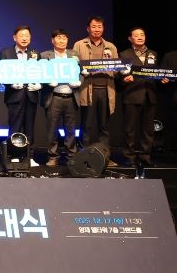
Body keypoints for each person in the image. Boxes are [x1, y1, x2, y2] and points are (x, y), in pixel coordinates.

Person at [72, 16, 119, 167]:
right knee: (86, 126)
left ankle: (105, 158)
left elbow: (116, 68)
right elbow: (73, 65)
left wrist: (122, 70)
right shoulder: (79, 44)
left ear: (103, 29)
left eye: (99, 26)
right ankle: (84, 158)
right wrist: (80, 70)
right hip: (87, 90)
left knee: (104, 126)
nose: (97, 29)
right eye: (94, 26)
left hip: (106, 90)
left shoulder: (110, 46)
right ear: (88, 29)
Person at [40, 29, 82, 167]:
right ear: (52, 40)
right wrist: (47, 80)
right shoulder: (45, 55)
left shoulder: (74, 55)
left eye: (64, 38)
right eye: (58, 37)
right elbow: (40, 72)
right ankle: (53, 156)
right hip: (54, 97)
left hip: (71, 96)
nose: (62, 40)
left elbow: (82, 72)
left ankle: (72, 156)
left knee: (71, 130)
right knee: (52, 129)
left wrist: (79, 81)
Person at [0, 26, 41, 161]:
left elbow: (40, 73)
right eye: (21, 35)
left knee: (29, 128)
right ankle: (14, 155)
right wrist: (10, 84)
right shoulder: (5, 53)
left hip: (31, 95)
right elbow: (1, 73)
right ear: (14, 38)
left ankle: (29, 156)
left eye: (27, 36)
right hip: (14, 96)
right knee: (14, 127)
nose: (24, 38)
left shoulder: (35, 53)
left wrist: (39, 85)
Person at [118, 27, 158, 167]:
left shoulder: (153, 54)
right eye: (136, 35)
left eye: (142, 34)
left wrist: (163, 78)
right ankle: (129, 157)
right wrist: (124, 80)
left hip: (150, 95)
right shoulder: (124, 54)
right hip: (132, 95)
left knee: (148, 130)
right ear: (130, 38)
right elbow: (118, 76)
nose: (140, 37)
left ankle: (145, 157)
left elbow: (156, 73)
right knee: (130, 129)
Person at [161, 50, 177, 152]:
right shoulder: (170, 56)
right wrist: (163, 79)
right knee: (172, 124)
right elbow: (162, 75)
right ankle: (171, 146)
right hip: (173, 97)